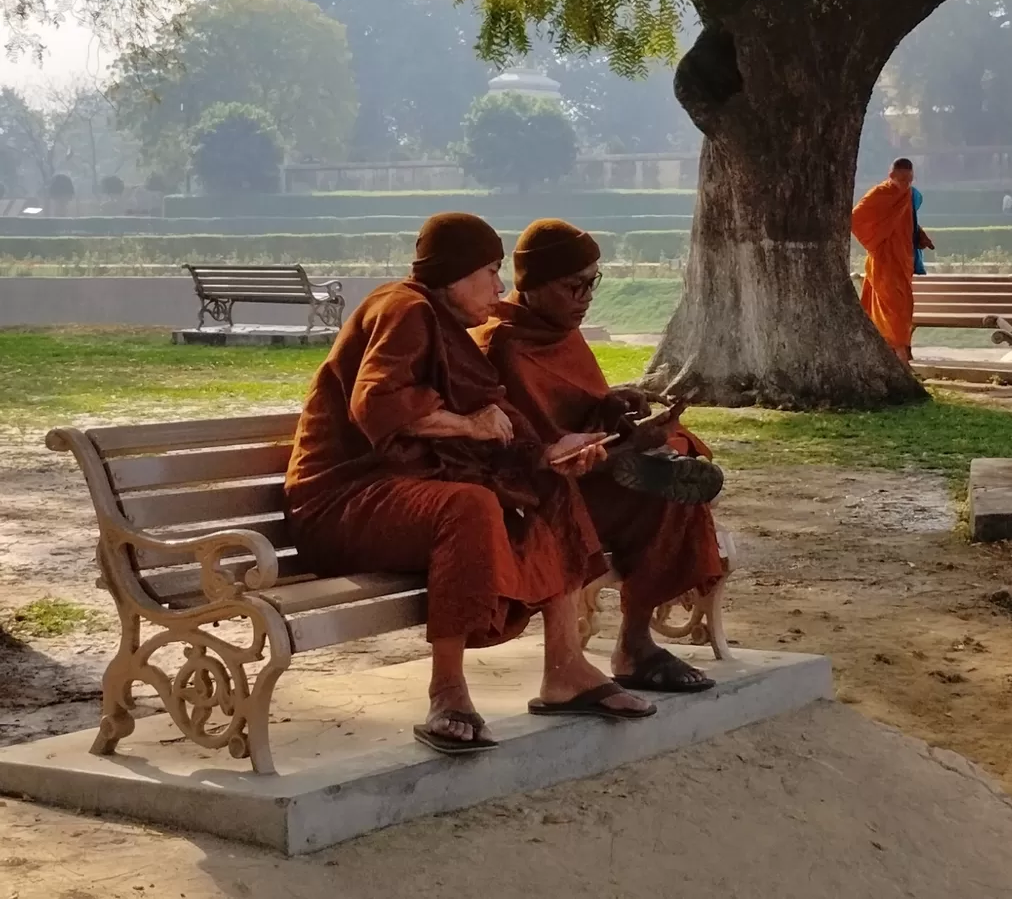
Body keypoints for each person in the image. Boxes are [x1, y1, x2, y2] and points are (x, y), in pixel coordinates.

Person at [285, 212, 654, 757]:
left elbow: (494, 411)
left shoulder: (444, 324)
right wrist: (467, 425)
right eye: (489, 271)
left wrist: (552, 450)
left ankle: (565, 669)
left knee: (547, 486)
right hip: (341, 501)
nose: (500, 287)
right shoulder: (404, 308)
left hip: (400, 495)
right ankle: (448, 692)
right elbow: (377, 404)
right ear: (455, 274)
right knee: (470, 506)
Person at [473, 219, 726, 694]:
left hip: (599, 473)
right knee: (661, 482)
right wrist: (622, 446)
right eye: (574, 286)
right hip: (547, 494)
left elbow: (574, 406)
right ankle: (633, 646)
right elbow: (536, 445)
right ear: (532, 284)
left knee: (672, 473)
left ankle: (635, 643)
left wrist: (610, 405)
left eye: (593, 282)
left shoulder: (561, 330)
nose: (586, 296)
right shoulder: (503, 343)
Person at [851, 158, 934, 363]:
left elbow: (908, 222)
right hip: (883, 261)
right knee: (893, 310)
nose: (906, 183)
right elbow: (856, 218)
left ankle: (896, 352)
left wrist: (920, 236)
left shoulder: (910, 195)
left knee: (903, 309)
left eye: (910, 179)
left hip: (903, 260)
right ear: (891, 176)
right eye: (902, 179)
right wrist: (877, 241)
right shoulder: (880, 195)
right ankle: (900, 356)